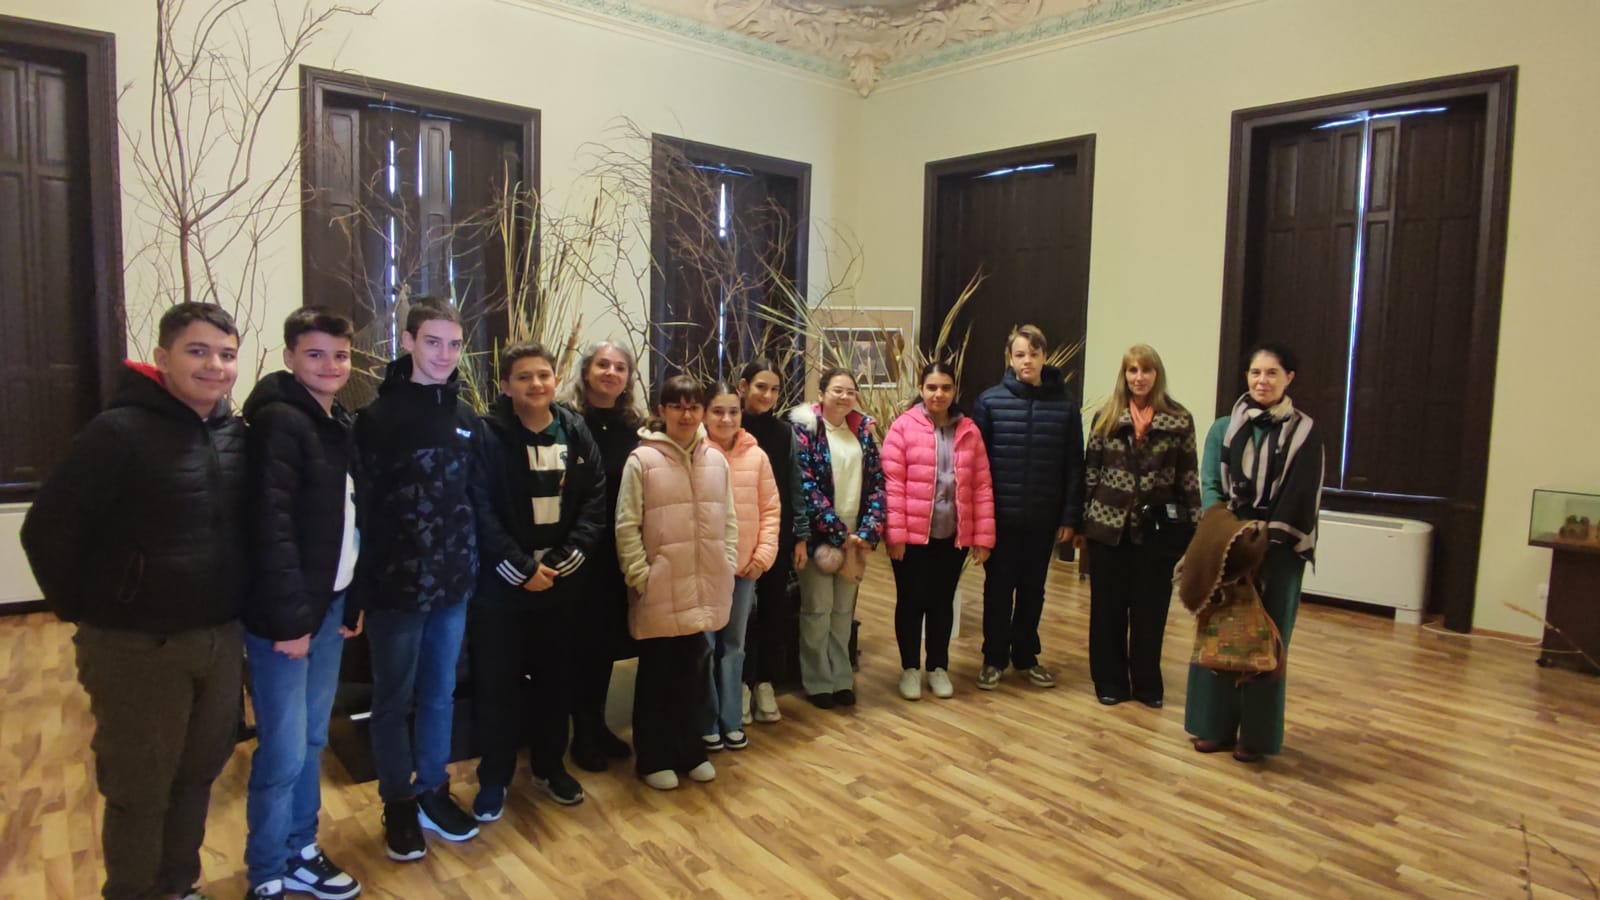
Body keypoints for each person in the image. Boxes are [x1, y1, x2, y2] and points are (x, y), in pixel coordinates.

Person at [22, 302, 247, 900]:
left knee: (198, 773)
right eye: (198, 351)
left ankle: (178, 885)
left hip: (219, 637)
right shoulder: (117, 433)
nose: (215, 366)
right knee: (140, 787)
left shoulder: (232, 433)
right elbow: (46, 531)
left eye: (226, 355)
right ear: (162, 358)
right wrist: (94, 610)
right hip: (138, 646)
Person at [350, 297, 481, 860]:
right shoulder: (376, 420)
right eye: (432, 342)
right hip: (395, 587)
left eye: (454, 344)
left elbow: (476, 497)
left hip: (453, 585)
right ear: (407, 342)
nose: (444, 354)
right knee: (393, 699)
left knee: (439, 694)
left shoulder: (466, 417)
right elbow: (362, 508)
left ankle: (432, 789)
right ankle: (397, 801)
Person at [240, 308, 363, 899]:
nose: (330, 365)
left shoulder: (336, 421)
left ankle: (301, 848)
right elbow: (271, 527)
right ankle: (267, 869)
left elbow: (349, 519)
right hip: (287, 618)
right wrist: (291, 621)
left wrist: (352, 598)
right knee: (284, 749)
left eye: (340, 355)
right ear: (290, 356)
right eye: (315, 354)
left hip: (330, 605)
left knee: (313, 739)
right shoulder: (279, 422)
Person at [468, 342, 607, 822]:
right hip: (501, 591)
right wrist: (521, 569)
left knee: (555, 683)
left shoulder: (574, 429)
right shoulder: (487, 435)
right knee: (497, 687)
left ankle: (550, 766)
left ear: (556, 379)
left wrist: (563, 563)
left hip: (560, 589)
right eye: (524, 377)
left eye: (544, 375)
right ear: (506, 386)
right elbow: (479, 507)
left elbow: (594, 501)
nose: (536, 384)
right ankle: (494, 777)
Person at [1185, 343, 1323, 762]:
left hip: (1279, 551)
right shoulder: (1223, 428)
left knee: (1267, 640)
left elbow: (1300, 496)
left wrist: (1263, 539)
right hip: (1226, 544)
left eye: (1272, 373)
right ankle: (1212, 727)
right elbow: (1211, 486)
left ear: (1289, 378)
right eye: (1255, 373)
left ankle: (1257, 737)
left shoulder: (1305, 432)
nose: (1262, 381)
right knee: (1218, 629)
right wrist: (1229, 532)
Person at [614, 375, 737, 789]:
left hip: (704, 584)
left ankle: (690, 751)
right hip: (660, 588)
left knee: (693, 673)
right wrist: (641, 576)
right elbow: (626, 526)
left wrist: (727, 561)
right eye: (677, 406)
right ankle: (654, 758)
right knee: (657, 676)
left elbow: (729, 520)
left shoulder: (715, 459)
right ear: (662, 410)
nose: (686, 415)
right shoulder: (642, 460)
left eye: (693, 407)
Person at [1080, 344, 1201, 710]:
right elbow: (1090, 472)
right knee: (1108, 609)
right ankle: (1110, 681)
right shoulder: (1106, 417)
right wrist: (1084, 521)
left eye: (1146, 370)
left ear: (1156, 375)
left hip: (1156, 530)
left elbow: (1189, 477)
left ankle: (1147, 682)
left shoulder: (1179, 419)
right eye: (1132, 370)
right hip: (1108, 528)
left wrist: (1194, 530)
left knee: (1151, 610)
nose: (1139, 377)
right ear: (1124, 375)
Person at [972, 324, 1084, 691]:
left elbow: (1074, 465)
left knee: (1033, 591)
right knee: (998, 590)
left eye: (1034, 354)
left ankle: (1025, 656)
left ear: (1044, 357)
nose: (1027, 361)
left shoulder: (1065, 405)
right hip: (1001, 518)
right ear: (1010, 358)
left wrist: (1070, 517)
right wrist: (979, 519)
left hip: (1043, 518)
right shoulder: (989, 402)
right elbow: (976, 466)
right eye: (1020, 354)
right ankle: (993, 658)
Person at [882, 362, 995, 701]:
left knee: (942, 602)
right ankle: (909, 668)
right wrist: (896, 535)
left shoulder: (969, 431)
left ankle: (938, 667)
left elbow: (982, 486)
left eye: (945, 387)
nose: (938, 394)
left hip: (951, 536)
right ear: (921, 389)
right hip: (913, 537)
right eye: (932, 387)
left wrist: (982, 538)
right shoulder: (903, 427)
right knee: (911, 601)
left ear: (954, 390)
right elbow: (892, 484)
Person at [560, 340, 643, 772]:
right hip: (580, 551)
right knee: (581, 645)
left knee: (607, 643)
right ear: (586, 371)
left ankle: (598, 725)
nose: (611, 372)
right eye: (602, 365)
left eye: (620, 367)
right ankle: (582, 733)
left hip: (619, 551)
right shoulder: (567, 422)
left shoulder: (634, 428)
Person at [789, 368, 886, 709]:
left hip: (856, 536)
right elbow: (805, 485)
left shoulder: (862, 433)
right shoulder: (806, 432)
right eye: (837, 390)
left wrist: (868, 530)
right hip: (820, 535)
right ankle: (818, 682)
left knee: (843, 612)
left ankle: (842, 678)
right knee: (817, 610)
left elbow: (878, 484)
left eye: (850, 391)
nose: (844, 397)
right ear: (821, 394)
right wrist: (837, 531)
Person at [700, 381, 780, 752]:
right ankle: (706, 720)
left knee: (734, 646)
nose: (726, 418)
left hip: (745, 569)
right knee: (704, 646)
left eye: (733, 411)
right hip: (705, 571)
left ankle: (731, 719)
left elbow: (771, 510)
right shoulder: (695, 452)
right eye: (717, 411)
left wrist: (761, 557)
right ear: (704, 414)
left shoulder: (757, 456)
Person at [736, 359, 809, 724]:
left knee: (772, 612)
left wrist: (800, 537)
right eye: (760, 387)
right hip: (737, 536)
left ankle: (765, 682)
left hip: (776, 534)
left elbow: (794, 485)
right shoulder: (729, 426)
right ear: (743, 386)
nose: (767, 395)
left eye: (774, 389)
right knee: (740, 617)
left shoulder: (784, 433)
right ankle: (740, 684)